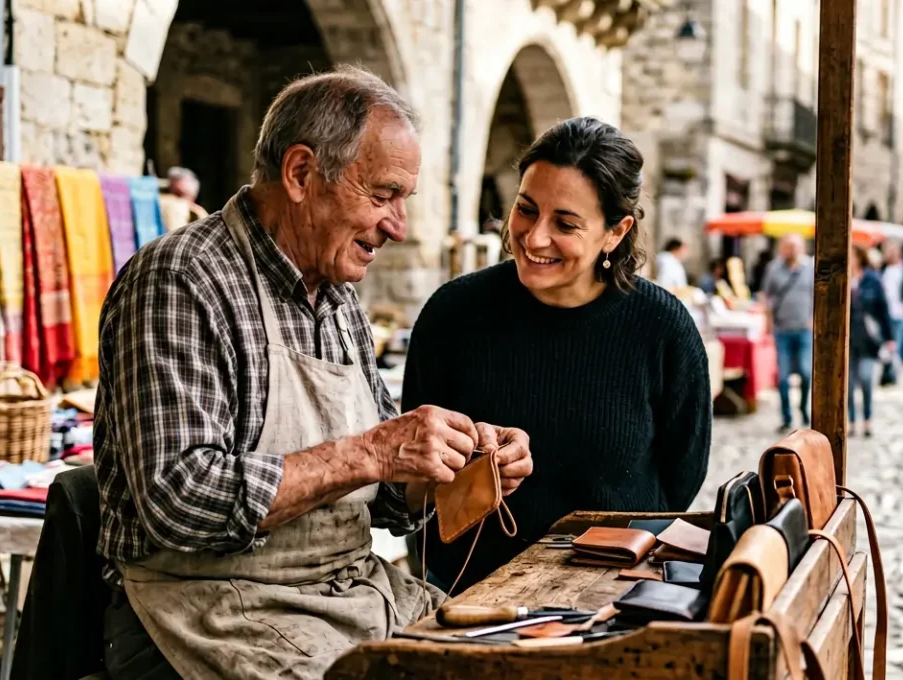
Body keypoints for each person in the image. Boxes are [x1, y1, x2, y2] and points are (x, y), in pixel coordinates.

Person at [94, 67, 534, 680]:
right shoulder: (181, 280)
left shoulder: (336, 297)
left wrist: (451, 466)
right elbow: (178, 498)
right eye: (382, 194)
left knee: (514, 661)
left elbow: (383, 498)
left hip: (345, 594)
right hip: (208, 610)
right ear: (300, 174)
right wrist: (373, 451)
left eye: (404, 200)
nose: (398, 226)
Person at [400, 117, 712, 592]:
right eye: (526, 209)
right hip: (466, 594)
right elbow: (410, 477)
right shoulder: (452, 314)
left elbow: (681, 476)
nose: (534, 237)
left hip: (613, 592)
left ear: (615, 232)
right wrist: (469, 464)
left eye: (565, 223)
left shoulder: (663, 328)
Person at [764, 233, 816, 431]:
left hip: (804, 329)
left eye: (795, 246)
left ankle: (803, 408)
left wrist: (813, 319)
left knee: (805, 372)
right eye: (788, 246)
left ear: (802, 248)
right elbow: (767, 296)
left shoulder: (810, 268)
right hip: (782, 329)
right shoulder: (774, 268)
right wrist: (769, 323)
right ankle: (786, 416)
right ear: (782, 248)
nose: (791, 250)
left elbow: (817, 295)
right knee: (783, 377)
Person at [848, 246, 893, 436]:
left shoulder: (872, 279)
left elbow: (883, 309)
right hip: (847, 339)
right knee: (848, 384)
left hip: (868, 339)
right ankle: (850, 421)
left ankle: (868, 419)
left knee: (866, 379)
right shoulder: (841, 279)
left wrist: (890, 337)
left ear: (859, 258)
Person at [879, 242, 903, 386]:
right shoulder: (884, 269)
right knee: (886, 345)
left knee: (897, 344)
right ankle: (887, 371)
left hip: (899, 312)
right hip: (885, 312)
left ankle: (894, 373)